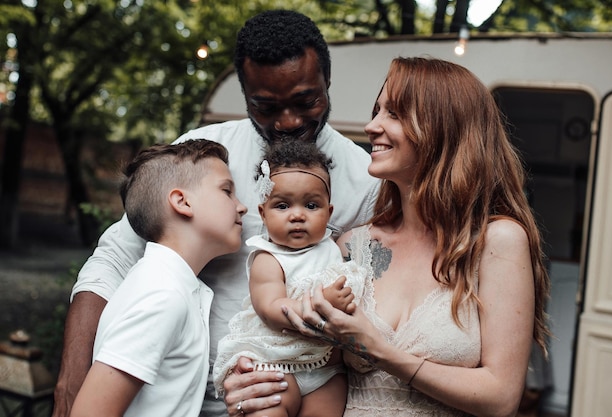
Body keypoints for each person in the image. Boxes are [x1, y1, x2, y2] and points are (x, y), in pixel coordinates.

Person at [52, 9, 380, 417]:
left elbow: (371, 300)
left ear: (326, 83)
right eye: (265, 106)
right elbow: (113, 260)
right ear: (245, 96)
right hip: (182, 399)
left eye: (305, 100)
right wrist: (71, 377)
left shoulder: (365, 181)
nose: (288, 121)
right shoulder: (204, 155)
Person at [223, 57, 551, 417]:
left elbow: (501, 398)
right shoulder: (350, 247)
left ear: (443, 126)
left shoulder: (497, 241)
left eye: (393, 114)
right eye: (377, 111)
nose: (371, 126)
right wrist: (254, 379)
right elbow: (311, 361)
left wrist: (380, 351)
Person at [69, 140, 247, 417]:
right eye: (227, 191)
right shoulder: (162, 295)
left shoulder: (172, 286)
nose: (242, 206)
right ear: (182, 202)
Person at [213, 140, 366, 417]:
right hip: (276, 363)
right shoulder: (268, 257)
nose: (297, 215)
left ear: (328, 213)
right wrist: (322, 304)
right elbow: (271, 308)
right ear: (263, 213)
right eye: (282, 206)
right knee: (268, 410)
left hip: (327, 371)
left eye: (311, 205)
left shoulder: (333, 249)